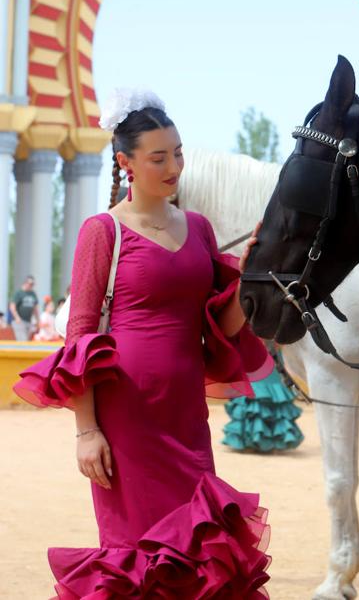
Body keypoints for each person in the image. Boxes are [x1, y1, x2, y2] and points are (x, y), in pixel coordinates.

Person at [14, 89, 273, 598]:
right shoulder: (102, 231)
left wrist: (253, 270)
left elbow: (220, 324)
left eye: (177, 152)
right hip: (126, 418)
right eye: (158, 157)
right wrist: (86, 431)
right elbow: (80, 335)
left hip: (185, 415)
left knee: (201, 546)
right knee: (137, 555)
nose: (173, 165)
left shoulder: (199, 229)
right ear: (125, 163)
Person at [9, 275, 39, 341]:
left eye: (33, 284)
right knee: (22, 341)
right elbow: (12, 306)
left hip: (29, 321)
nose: (31, 286)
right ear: (25, 283)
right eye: (30, 284)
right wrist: (17, 317)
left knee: (27, 341)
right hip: (20, 321)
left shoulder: (33, 294)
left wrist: (37, 320)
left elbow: (35, 308)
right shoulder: (19, 293)